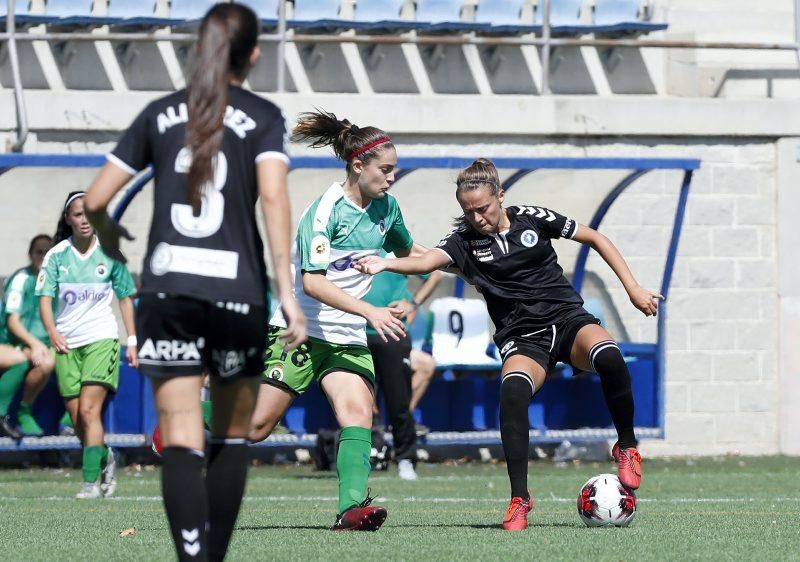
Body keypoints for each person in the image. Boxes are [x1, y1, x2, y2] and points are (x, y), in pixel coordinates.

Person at [83, 4, 305, 560]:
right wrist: (287, 291)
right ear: (253, 54)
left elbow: (93, 201)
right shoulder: (263, 115)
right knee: (231, 436)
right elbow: (274, 197)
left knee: (180, 433)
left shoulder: (159, 113)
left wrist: (110, 238)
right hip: (238, 293)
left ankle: (190, 556)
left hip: (167, 291)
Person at [356, 158, 661, 531]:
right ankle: (520, 499)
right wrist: (385, 264)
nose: (477, 217)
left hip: (568, 321)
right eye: (468, 211)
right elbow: (427, 262)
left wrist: (634, 289)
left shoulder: (532, 218)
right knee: (512, 392)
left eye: (483, 208)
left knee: (611, 356)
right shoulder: (464, 242)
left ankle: (626, 447)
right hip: (522, 338)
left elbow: (594, 237)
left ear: (500, 196)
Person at [253, 108, 421, 531]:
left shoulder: (387, 209)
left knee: (357, 412)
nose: (391, 176)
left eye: (394, 169)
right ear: (357, 165)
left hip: (346, 335)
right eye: (385, 169)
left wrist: (464, 262)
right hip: (301, 330)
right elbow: (312, 283)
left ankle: (351, 509)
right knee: (255, 427)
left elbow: (410, 256)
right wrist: (370, 310)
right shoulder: (325, 212)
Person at [36, 192, 137, 499]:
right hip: (67, 344)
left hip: (101, 340)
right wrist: (52, 331)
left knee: (91, 411)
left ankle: (90, 483)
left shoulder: (110, 253)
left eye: (88, 214)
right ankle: (106, 456)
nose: (84, 220)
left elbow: (125, 298)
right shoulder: (56, 256)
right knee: (80, 419)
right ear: (68, 219)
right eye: (77, 215)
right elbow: (44, 298)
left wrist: (131, 340)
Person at [362, 254, 441, 480]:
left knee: (399, 401)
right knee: (358, 400)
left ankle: (405, 457)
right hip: (354, 331)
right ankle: (363, 456)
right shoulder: (351, 239)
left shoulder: (396, 243)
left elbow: (434, 273)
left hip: (392, 331)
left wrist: (413, 304)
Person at [0, 234, 57, 439]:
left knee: (78, 359)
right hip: (15, 343)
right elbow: (12, 321)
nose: (42, 256)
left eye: (47, 252)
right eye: (38, 252)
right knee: (36, 361)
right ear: (30, 254)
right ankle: (19, 412)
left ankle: (71, 422)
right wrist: (33, 344)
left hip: (44, 343)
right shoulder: (21, 279)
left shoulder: (57, 279)